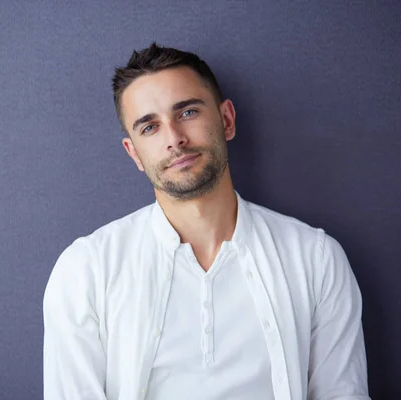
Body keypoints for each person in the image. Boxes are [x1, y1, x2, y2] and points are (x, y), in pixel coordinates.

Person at [42, 43, 370, 400]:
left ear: (226, 120)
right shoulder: (86, 271)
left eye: (187, 113)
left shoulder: (315, 259)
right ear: (133, 152)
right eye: (150, 127)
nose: (174, 139)